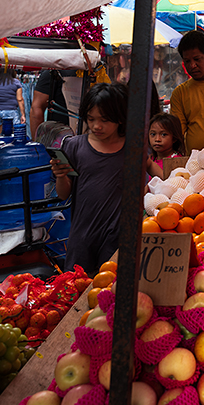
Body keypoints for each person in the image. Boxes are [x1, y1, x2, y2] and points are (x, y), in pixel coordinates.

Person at [49, 83, 129, 274]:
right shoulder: (75, 146)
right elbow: (63, 194)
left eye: (104, 120)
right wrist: (61, 175)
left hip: (117, 237)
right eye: (91, 119)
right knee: (77, 287)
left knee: (110, 287)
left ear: (120, 118)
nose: (96, 126)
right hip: (82, 235)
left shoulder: (132, 148)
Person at [31, 68, 90, 137]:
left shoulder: (98, 69)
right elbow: (36, 108)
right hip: (60, 139)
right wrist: (38, 143)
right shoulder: (55, 69)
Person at [146, 113, 186, 178]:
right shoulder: (152, 158)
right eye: (153, 134)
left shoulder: (177, 161)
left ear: (174, 138)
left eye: (163, 135)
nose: (157, 139)